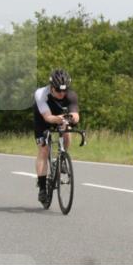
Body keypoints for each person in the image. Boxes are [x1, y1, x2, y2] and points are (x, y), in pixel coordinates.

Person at [33, 69, 80, 204]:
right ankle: (42, 188)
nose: (61, 94)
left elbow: (76, 116)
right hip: (43, 119)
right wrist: (62, 119)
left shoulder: (71, 95)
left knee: (67, 130)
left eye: (64, 91)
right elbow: (47, 117)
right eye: (58, 91)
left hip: (59, 115)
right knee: (44, 150)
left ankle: (61, 158)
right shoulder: (41, 94)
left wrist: (71, 119)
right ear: (51, 87)